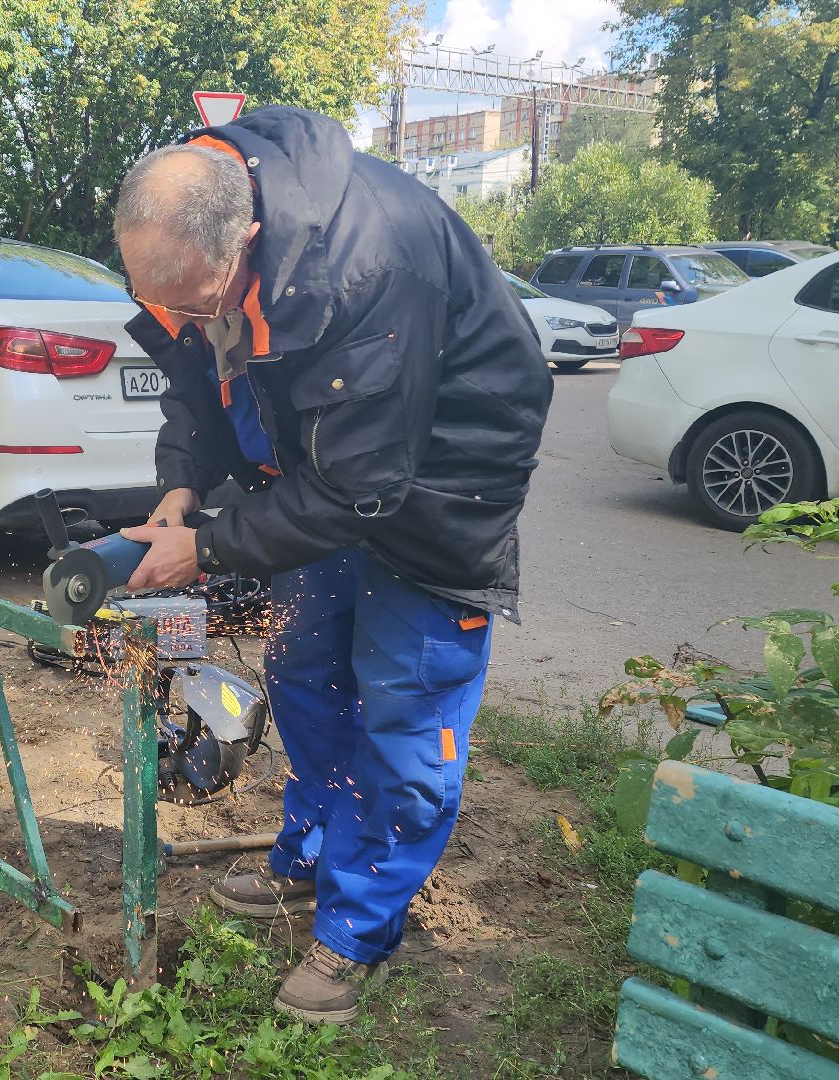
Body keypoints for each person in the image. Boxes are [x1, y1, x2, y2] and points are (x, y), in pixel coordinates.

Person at [113, 108, 552, 1023]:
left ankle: (359, 927)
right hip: (322, 481)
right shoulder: (196, 243)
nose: (186, 320)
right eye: (166, 306)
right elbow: (199, 382)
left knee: (403, 708)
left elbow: (364, 489)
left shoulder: (370, 263)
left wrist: (212, 545)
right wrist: (180, 488)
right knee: (304, 670)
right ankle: (311, 852)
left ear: (249, 241)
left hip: (431, 494)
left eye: (196, 302)